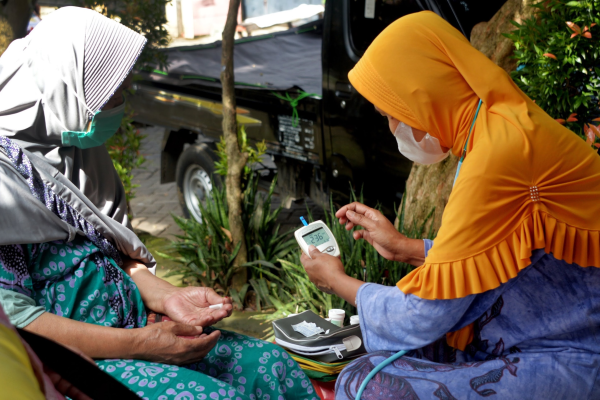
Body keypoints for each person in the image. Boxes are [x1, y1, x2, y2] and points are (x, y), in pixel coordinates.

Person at [0, 7, 316, 400]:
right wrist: (142, 343)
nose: (120, 105)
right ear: (66, 91)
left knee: (271, 365)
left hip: (137, 328)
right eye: (111, 94)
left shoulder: (77, 148)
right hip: (76, 360)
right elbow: (16, 321)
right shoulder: (4, 187)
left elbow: (117, 257)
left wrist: (170, 297)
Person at [300, 11, 600, 399]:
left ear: (420, 95)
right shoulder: (497, 128)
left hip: (569, 354)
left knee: (367, 381)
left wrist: (338, 282)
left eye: (389, 113)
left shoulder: (495, 157)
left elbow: (423, 315)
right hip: (539, 333)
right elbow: (500, 254)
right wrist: (407, 248)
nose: (392, 126)